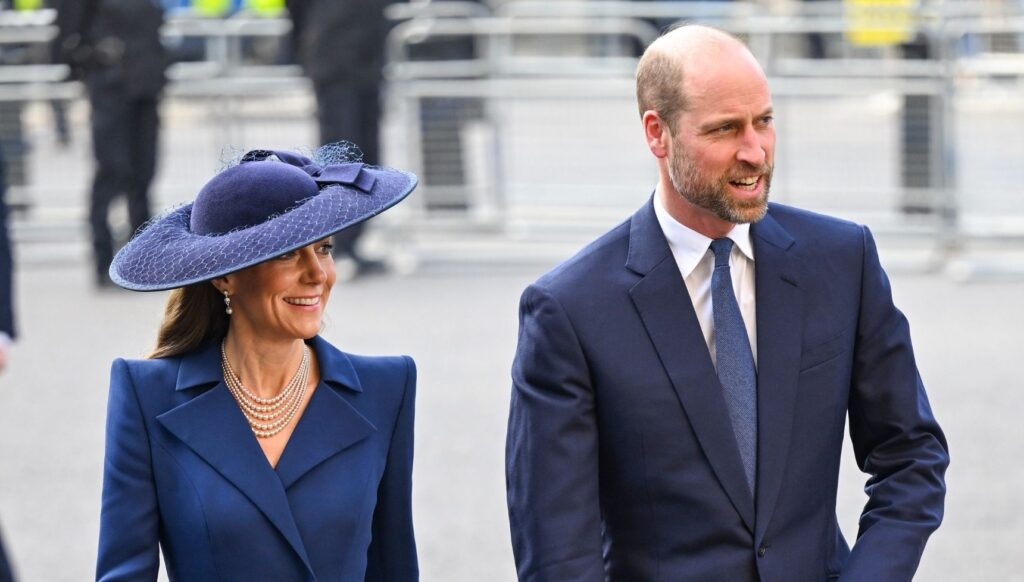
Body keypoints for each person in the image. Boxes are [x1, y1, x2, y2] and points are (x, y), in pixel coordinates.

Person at [506, 24, 948, 581]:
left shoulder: (841, 261)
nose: (754, 151)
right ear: (657, 133)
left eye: (764, 121)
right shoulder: (569, 310)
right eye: (724, 129)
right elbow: (557, 553)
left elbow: (911, 457)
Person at [96, 143, 420, 580]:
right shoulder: (147, 394)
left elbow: (393, 567)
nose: (317, 274)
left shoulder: (387, 387)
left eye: (323, 249)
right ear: (225, 275)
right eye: (288, 253)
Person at [53, 0, 166, 287]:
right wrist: (93, 62)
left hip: (145, 88)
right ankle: (103, 259)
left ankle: (141, 261)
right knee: (112, 173)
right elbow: (69, 36)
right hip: (110, 90)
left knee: (143, 175)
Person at [286, 0, 391, 276]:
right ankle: (335, 245)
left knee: (368, 155)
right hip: (332, 59)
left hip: (367, 60)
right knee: (341, 156)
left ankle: (354, 242)